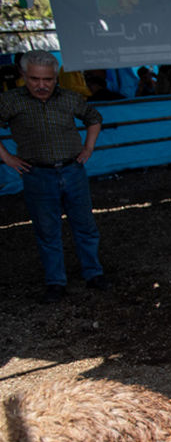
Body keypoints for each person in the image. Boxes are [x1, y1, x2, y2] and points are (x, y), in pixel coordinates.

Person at [0, 50, 107, 303]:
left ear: (55, 77)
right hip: (37, 174)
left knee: (85, 225)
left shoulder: (69, 98)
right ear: (23, 75)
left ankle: (94, 273)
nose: (42, 85)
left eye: (47, 79)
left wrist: (89, 147)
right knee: (47, 230)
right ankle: (56, 282)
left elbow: (94, 118)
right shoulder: (10, 101)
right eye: (35, 79)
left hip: (72, 170)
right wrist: (7, 157)